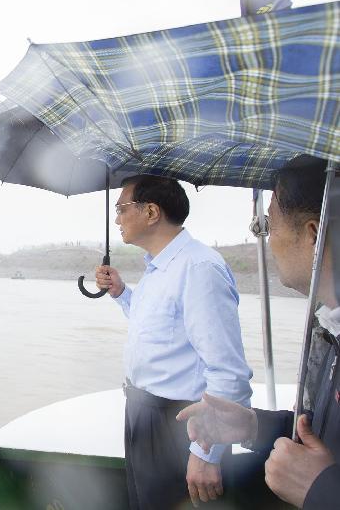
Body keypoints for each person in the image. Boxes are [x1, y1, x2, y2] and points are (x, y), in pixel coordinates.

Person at [176, 158, 339, 509]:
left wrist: (324, 489)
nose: (267, 240)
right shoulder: (328, 329)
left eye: (270, 224)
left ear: (314, 233)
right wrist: (253, 427)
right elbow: (324, 436)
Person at [95, 175, 253, 509]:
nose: (117, 219)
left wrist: (205, 453)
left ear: (151, 212)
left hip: (178, 425)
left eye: (121, 208)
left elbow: (228, 371)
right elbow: (156, 329)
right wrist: (122, 293)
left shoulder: (199, 268)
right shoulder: (158, 266)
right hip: (141, 413)